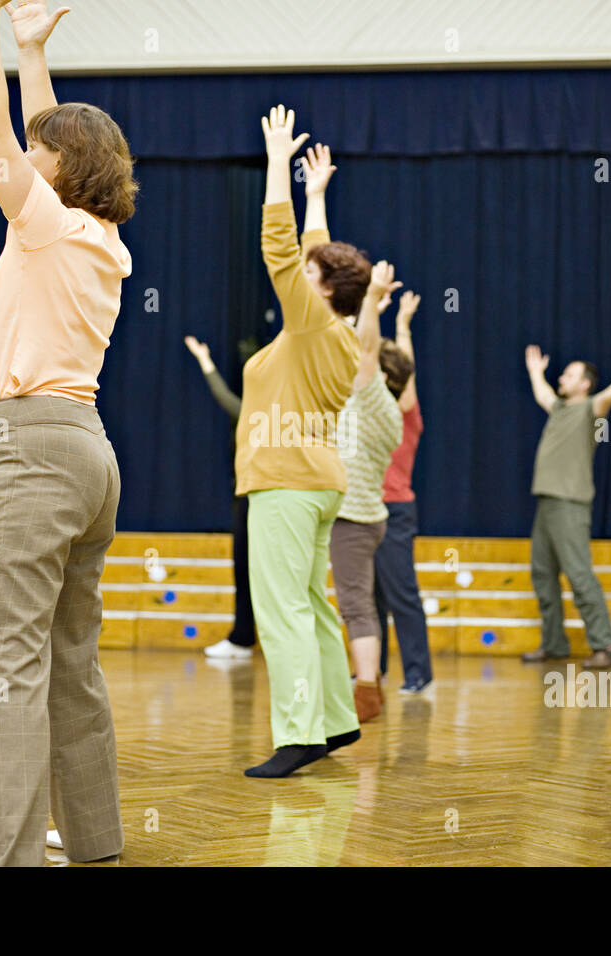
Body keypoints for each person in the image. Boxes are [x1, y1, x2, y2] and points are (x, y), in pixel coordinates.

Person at [0, 0, 136, 865]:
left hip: (27, 452)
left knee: (6, 670)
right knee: (71, 668)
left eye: (41, 153)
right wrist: (33, 48)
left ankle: (4, 859)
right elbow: (36, 131)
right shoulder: (93, 238)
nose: (22, 159)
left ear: (59, 170)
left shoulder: (42, 227)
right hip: (88, 455)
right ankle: (96, 844)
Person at [238, 118, 364, 778]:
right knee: (311, 605)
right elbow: (315, 253)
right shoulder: (336, 331)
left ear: (320, 291)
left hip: (286, 480)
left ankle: (298, 733)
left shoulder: (312, 322)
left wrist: (274, 164)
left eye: (310, 276)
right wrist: (314, 190)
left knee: (282, 608)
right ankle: (335, 720)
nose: (298, 278)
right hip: (317, 481)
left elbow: (283, 252)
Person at [520, 344, 611, 667]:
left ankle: (606, 646)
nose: (562, 378)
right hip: (547, 502)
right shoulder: (558, 408)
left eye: (569, 374)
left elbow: (610, 394)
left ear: (584, 384)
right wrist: (534, 372)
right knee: (542, 574)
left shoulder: (590, 409)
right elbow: (542, 394)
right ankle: (554, 643)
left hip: (570, 505)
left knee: (579, 574)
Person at [330, 267, 412, 723]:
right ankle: (367, 682)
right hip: (367, 517)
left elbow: (362, 348)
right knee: (359, 603)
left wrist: (372, 299)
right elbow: (360, 343)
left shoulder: (370, 398)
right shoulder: (391, 411)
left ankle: (366, 691)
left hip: (353, 519)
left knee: (356, 605)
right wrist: (372, 310)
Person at [374, 291, 434, 696]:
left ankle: (418, 673)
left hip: (395, 511)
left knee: (401, 595)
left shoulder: (405, 411)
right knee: (368, 598)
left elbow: (404, 371)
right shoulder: (370, 406)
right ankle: (370, 671)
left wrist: (401, 324)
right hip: (364, 511)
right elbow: (365, 357)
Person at [183, 335, 257, 660]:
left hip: (261, 500)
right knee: (245, 570)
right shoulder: (253, 414)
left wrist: (204, 360)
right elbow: (223, 395)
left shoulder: (261, 416)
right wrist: (204, 358)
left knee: (254, 572)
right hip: (250, 499)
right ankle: (244, 637)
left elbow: (222, 394)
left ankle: (251, 638)